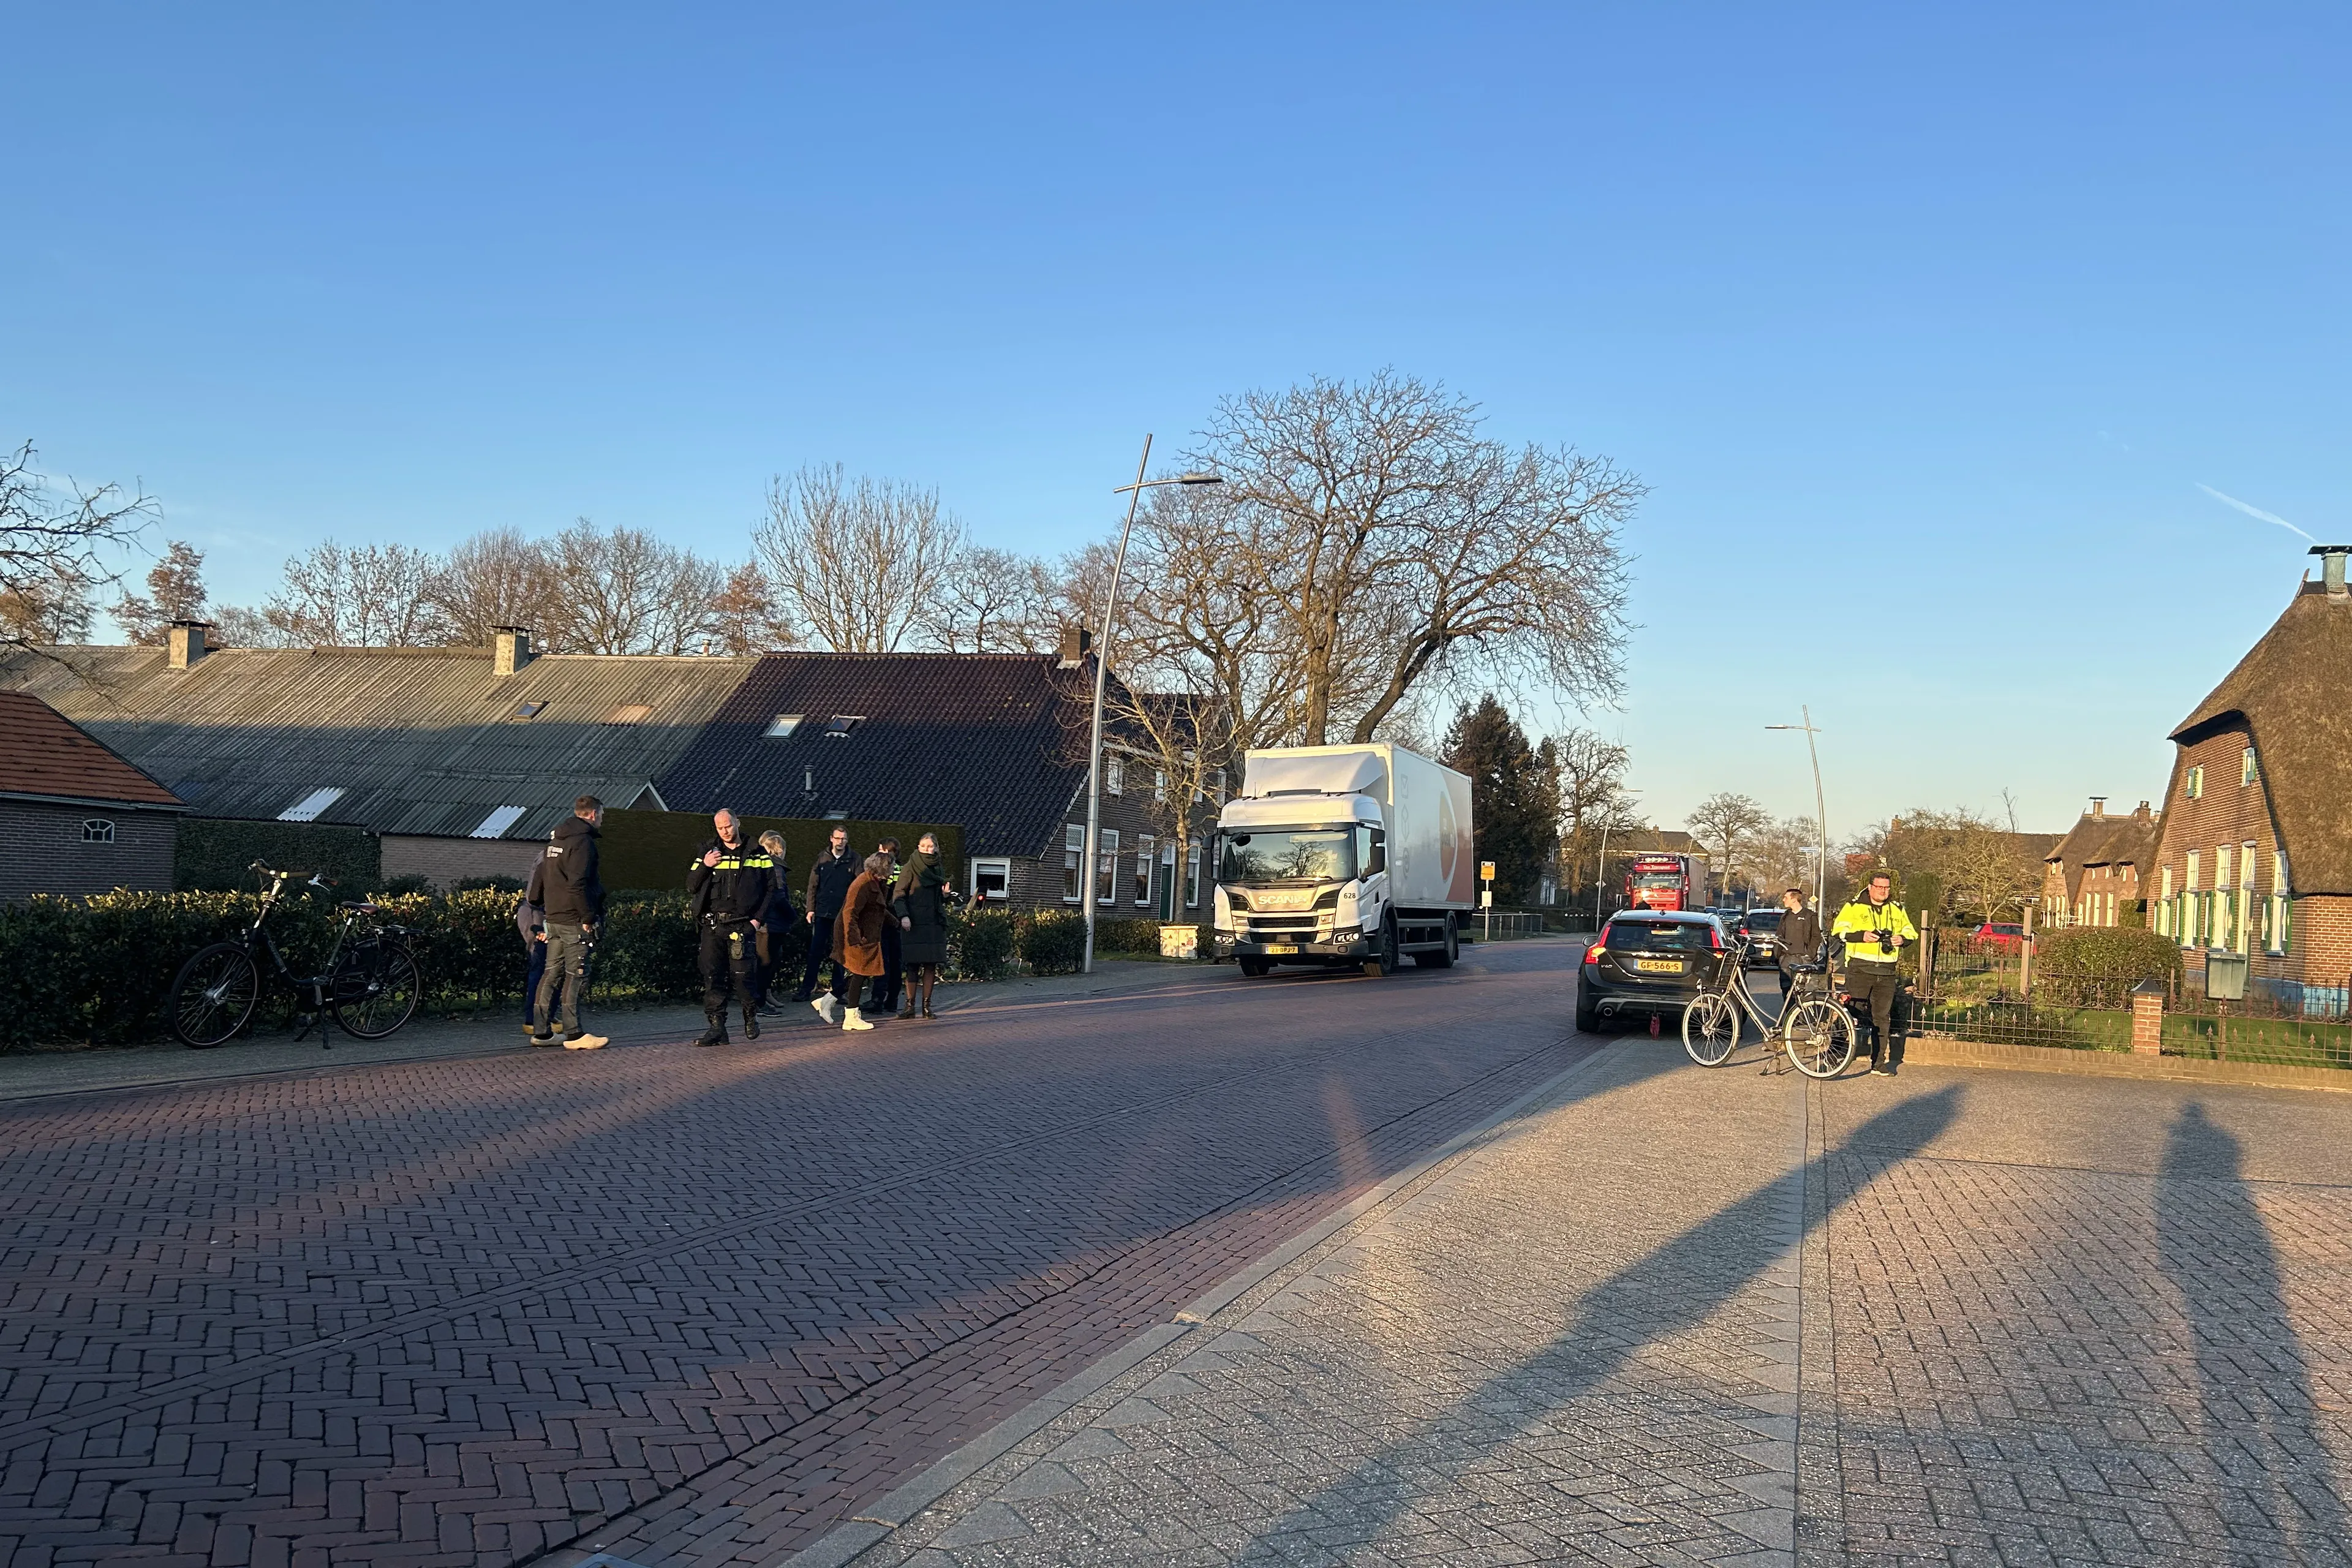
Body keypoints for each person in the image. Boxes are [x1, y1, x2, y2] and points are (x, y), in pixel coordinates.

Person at [687, 808, 774, 1046]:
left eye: (728, 826)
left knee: (743, 977)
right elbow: (691, 885)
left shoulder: (756, 851)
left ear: (738, 823)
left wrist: (757, 921)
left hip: (742, 926)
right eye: (720, 828)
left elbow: (771, 889)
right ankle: (717, 1029)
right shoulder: (708, 852)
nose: (725, 832)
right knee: (713, 976)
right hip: (712, 926)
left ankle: (750, 1018)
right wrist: (705, 864)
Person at [531, 796, 609, 1050]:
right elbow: (579, 883)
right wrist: (588, 917)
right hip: (574, 919)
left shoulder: (555, 840)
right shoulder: (583, 843)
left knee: (550, 972)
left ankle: (541, 1033)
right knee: (575, 974)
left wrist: (543, 904)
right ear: (592, 815)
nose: (602, 819)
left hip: (553, 916)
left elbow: (538, 882)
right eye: (602, 815)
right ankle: (574, 1034)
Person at [1831, 870, 1920, 1076]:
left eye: (1886, 888)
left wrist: (1902, 940)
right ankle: (1833, 1052)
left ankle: (1878, 1063)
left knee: (1882, 1018)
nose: (1883, 891)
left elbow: (1910, 932)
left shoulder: (1897, 908)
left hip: (1887, 971)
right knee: (1850, 1013)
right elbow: (1838, 931)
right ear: (1870, 887)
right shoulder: (1853, 907)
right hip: (1860, 968)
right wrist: (1862, 936)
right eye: (1879, 887)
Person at [891, 831, 954, 1020]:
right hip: (914, 922)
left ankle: (927, 1006)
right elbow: (898, 894)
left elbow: (940, 899)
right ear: (918, 848)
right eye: (924, 846)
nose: (927, 850)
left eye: (930, 846)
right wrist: (904, 916)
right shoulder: (910, 867)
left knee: (930, 965)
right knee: (912, 965)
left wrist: (945, 895)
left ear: (936, 848)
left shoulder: (939, 868)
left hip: (934, 923)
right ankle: (909, 1007)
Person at [799, 826, 859, 1012]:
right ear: (831, 839)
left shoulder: (855, 860)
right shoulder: (822, 858)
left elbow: (858, 887)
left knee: (840, 954)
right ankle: (806, 989)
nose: (840, 842)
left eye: (844, 839)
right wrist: (810, 909)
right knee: (815, 952)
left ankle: (837, 991)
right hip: (823, 912)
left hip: (842, 914)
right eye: (838, 838)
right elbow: (813, 885)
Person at [831, 851, 891, 1031]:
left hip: (864, 936)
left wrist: (895, 923)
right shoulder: (863, 884)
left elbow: (877, 909)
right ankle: (851, 1016)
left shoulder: (873, 882)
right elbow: (850, 912)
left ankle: (828, 1001)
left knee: (860, 973)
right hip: (858, 937)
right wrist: (854, 938)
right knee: (859, 972)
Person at [753, 829, 798, 1015]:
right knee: (767, 963)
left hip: (767, 922)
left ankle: (760, 1000)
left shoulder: (762, 867)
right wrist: (793, 915)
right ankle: (760, 1003)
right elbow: (779, 897)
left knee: (764, 962)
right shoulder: (776, 869)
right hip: (773, 924)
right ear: (779, 850)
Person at [872, 836, 905, 1017]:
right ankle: (892, 1001)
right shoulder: (905, 869)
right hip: (899, 920)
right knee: (896, 961)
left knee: (882, 961)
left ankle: (877, 999)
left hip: (885, 920)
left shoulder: (885, 870)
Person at [519, 856, 549, 1037]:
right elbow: (535, 896)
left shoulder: (548, 856)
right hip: (537, 914)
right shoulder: (548, 860)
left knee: (546, 968)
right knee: (540, 968)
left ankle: (546, 1015)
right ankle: (533, 1019)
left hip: (538, 912)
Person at [1776, 887, 1823, 997]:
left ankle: (1801, 1014)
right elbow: (1779, 935)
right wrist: (1778, 955)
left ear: (1794, 899)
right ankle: (1789, 1013)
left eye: (1786, 897)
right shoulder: (1785, 916)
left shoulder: (1809, 916)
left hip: (1803, 959)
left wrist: (1810, 954)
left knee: (1802, 992)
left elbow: (1816, 937)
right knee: (1786, 991)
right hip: (1786, 959)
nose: (1783, 900)